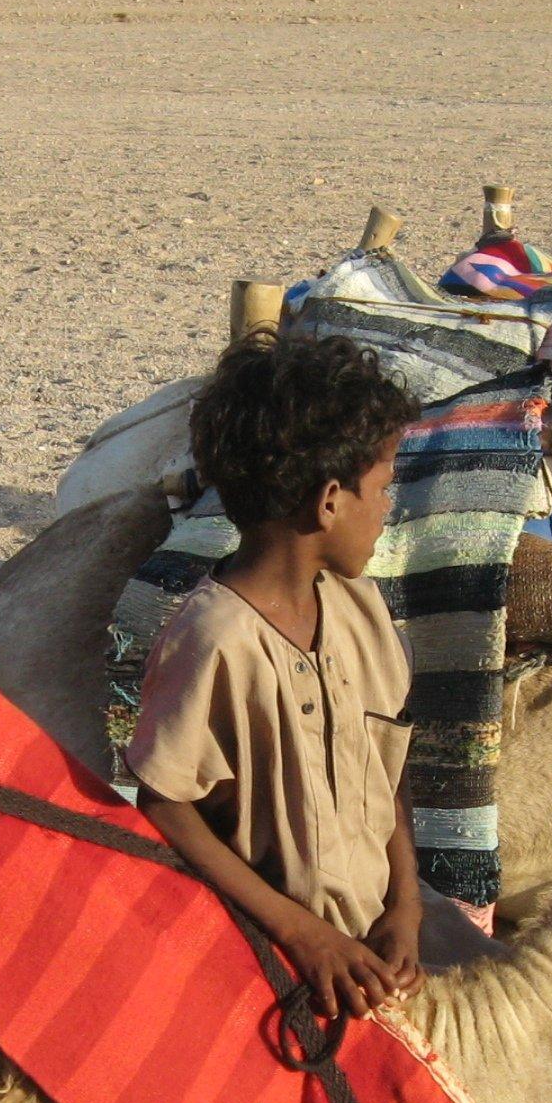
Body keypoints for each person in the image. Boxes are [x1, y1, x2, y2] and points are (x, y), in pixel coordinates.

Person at [128, 331, 424, 1019]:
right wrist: (303, 934)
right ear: (328, 502)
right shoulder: (214, 639)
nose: (388, 509)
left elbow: (389, 767)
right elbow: (167, 805)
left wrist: (407, 903)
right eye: (382, 489)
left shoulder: (362, 610)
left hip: (372, 946)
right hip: (268, 957)